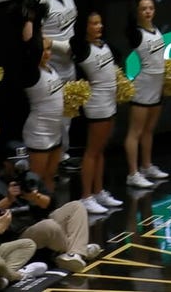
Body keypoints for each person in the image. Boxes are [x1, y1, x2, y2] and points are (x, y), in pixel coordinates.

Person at [0, 144, 102, 273]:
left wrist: (35, 197)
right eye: (16, 163)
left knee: (76, 206)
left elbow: (51, 204)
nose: (20, 167)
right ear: (5, 163)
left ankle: (75, 254)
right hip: (17, 235)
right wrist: (8, 200)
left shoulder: (29, 177)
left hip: (38, 223)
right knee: (49, 226)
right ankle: (79, 249)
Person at [71, 11, 124, 214]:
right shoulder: (83, 48)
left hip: (110, 101)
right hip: (97, 103)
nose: (99, 26)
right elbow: (67, 44)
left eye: (100, 22)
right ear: (85, 27)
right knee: (92, 152)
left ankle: (99, 191)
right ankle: (86, 196)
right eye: (94, 23)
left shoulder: (103, 44)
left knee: (101, 150)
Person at [19, 0, 64, 193]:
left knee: (49, 178)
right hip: (39, 133)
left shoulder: (52, 69)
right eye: (43, 49)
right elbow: (30, 45)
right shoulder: (31, 73)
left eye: (48, 49)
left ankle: (51, 216)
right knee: (34, 184)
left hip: (55, 132)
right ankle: (35, 221)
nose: (46, 52)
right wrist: (31, 20)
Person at [124, 0, 169, 189]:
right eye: (143, 9)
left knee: (149, 130)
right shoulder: (137, 33)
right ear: (138, 12)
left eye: (150, 8)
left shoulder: (156, 29)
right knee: (136, 131)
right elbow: (127, 25)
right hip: (143, 86)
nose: (148, 12)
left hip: (157, 85)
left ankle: (146, 166)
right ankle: (132, 174)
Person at [33, 0, 77, 162]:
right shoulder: (37, 2)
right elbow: (35, 35)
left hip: (70, 64)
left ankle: (61, 153)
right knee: (52, 111)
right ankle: (51, 154)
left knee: (69, 110)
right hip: (50, 65)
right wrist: (61, 46)